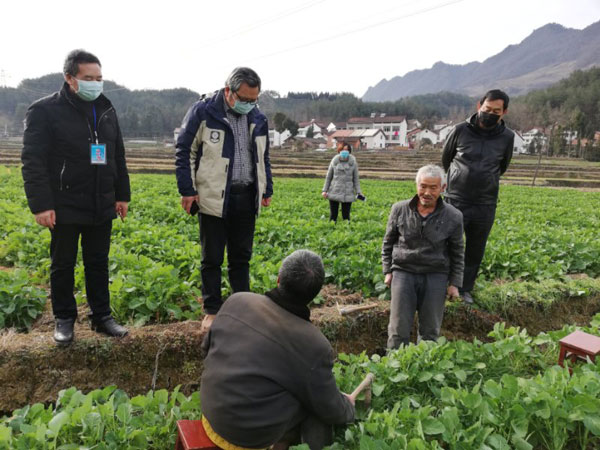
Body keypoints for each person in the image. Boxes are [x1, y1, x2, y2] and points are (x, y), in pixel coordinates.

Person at [21, 49, 130, 344]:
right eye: (88, 78)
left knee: (98, 261)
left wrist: (121, 195)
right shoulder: (44, 111)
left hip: (101, 201)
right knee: (63, 263)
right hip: (64, 201)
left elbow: (117, 155)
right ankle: (65, 319)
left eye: (99, 78)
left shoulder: (106, 109)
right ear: (70, 78)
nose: (95, 83)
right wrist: (42, 204)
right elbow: (33, 161)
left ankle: (102, 316)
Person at [200, 250, 355, 450]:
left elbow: (206, 350)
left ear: (279, 279)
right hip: (249, 439)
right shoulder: (314, 344)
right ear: (314, 295)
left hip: (211, 415)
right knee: (316, 409)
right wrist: (348, 407)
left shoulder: (237, 301)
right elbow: (329, 408)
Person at [175, 67, 273, 333]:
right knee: (212, 257)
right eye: (245, 99)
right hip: (214, 196)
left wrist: (267, 189)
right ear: (229, 91)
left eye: (254, 100)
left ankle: (243, 307)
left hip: (247, 194)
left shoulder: (258, 117)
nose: (249, 104)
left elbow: (263, 156)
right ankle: (212, 310)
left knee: (241, 257)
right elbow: (185, 150)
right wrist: (187, 189)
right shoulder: (205, 112)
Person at [442, 89, 514, 304]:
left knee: (475, 247)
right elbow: (446, 159)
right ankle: (443, 283)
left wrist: (485, 180)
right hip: (456, 198)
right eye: (486, 109)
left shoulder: (507, 137)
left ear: (504, 112)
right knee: (448, 244)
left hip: (485, 202)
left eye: (495, 111)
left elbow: (503, 166)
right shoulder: (460, 130)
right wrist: (458, 178)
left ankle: (465, 289)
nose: (490, 113)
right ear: (478, 106)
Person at [382, 165, 464, 349]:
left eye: (433, 188)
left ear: (443, 188)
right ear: (416, 185)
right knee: (398, 327)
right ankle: (394, 366)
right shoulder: (399, 209)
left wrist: (454, 283)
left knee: (430, 329)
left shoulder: (454, 216)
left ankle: (423, 367)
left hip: (436, 274)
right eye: (423, 186)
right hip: (404, 271)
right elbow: (388, 243)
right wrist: (388, 270)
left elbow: (457, 252)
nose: (427, 192)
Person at [322, 142, 362, 222]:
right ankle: (331, 231)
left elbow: (356, 179)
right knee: (333, 216)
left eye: (347, 150)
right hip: (334, 190)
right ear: (339, 150)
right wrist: (324, 190)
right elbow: (329, 177)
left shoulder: (353, 162)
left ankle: (347, 232)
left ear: (350, 152)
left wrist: (359, 192)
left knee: (346, 217)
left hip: (348, 192)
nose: (345, 151)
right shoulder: (334, 161)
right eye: (343, 150)